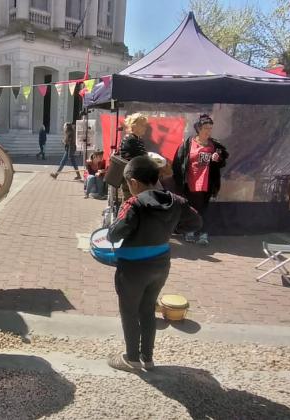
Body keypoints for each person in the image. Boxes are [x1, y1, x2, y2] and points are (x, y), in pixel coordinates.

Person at [106, 155, 201, 372]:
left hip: (133, 269)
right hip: (160, 265)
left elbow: (113, 234)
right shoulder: (176, 201)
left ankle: (131, 359)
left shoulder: (134, 204)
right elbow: (196, 222)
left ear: (134, 183)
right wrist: (173, 228)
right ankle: (147, 358)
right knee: (147, 309)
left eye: (128, 184)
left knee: (129, 311)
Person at [172, 114, 229, 246]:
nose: (208, 131)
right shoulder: (188, 144)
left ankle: (203, 233)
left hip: (207, 182)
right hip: (191, 182)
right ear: (198, 128)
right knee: (191, 208)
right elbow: (178, 162)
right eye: (206, 128)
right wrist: (179, 179)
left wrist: (218, 158)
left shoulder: (214, 145)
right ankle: (190, 231)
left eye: (210, 128)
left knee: (204, 209)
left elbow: (222, 159)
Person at [118, 113, 149, 200]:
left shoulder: (137, 139)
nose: (145, 128)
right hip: (132, 178)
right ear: (134, 125)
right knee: (130, 203)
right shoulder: (130, 139)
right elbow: (132, 159)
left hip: (135, 177)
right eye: (142, 125)